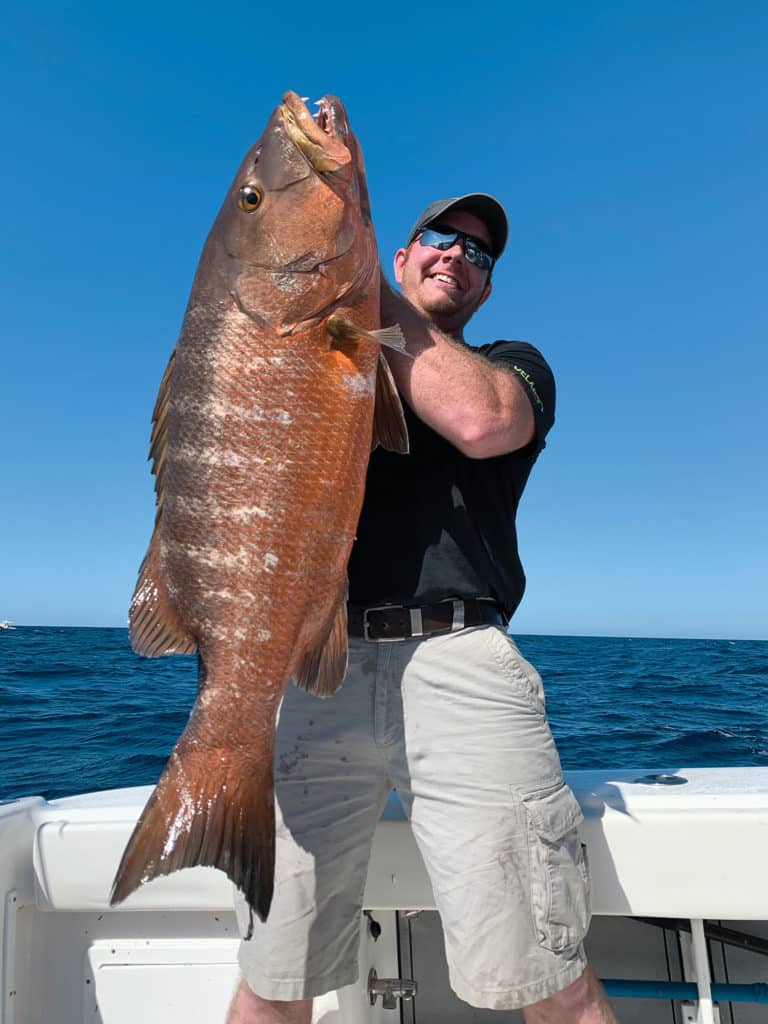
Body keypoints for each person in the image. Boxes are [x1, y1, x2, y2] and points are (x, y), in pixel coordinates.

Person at [227, 195, 617, 1023]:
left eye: (479, 255)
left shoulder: (515, 366)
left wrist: (362, 287)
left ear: (485, 290)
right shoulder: (328, 356)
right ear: (402, 254)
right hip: (314, 672)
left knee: (553, 982)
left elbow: (480, 420)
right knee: (274, 974)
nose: (458, 256)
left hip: (460, 662)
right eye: (440, 239)